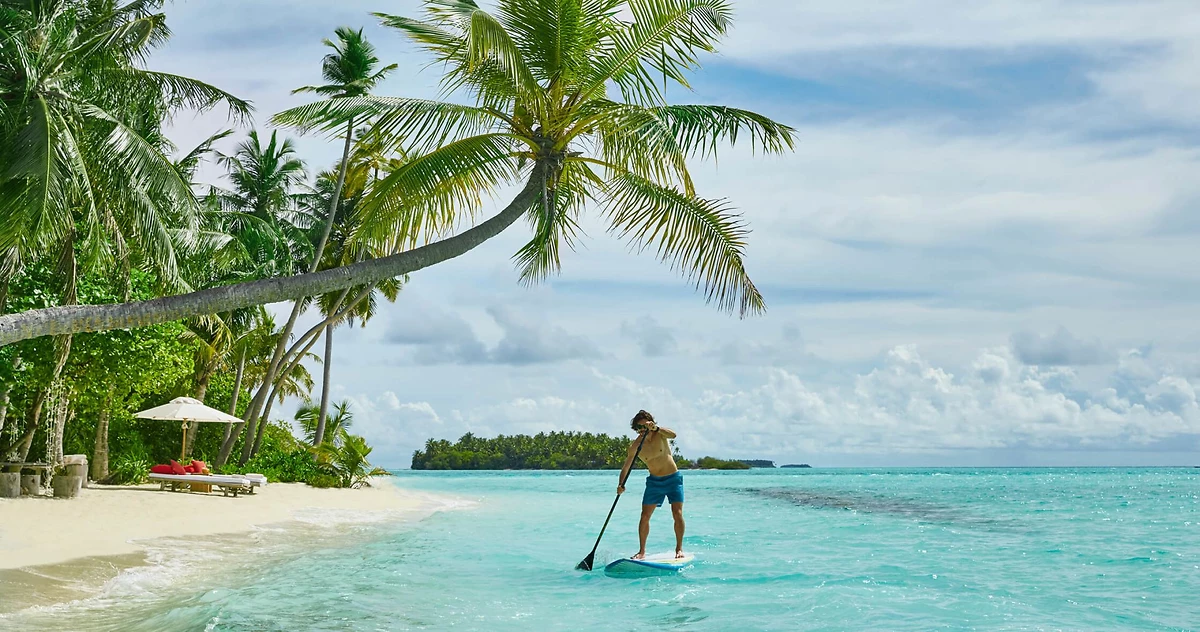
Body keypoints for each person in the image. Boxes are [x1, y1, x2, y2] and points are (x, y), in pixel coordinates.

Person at [617, 410, 685, 559]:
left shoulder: (660, 434)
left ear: (651, 424)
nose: (642, 431)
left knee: (677, 513)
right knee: (645, 516)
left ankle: (679, 549)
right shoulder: (635, 446)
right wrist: (621, 484)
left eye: (645, 426)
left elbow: (673, 435)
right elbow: (626, 467)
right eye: (639, 428)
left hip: (673, 479)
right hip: (654, 482)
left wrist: (656, 428)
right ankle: (641, 551)